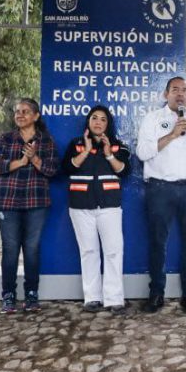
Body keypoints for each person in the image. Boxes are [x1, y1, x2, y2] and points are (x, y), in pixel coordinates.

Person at [136, 77, 186, 314]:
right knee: (158, 242)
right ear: (166, 94)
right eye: (175, 90)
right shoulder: (153, 120)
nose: (180, 94)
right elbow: (142, 152)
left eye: (185, 90)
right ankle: (156, 294)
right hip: (161, 189)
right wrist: (172, 134)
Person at [0, 98, 59, 314]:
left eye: (25, 111)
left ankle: (31, 295)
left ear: (36, 116)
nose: (20, 115)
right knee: (10, 249)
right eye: (17, 111)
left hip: (36, 202)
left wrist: (34, 158)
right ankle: (8, 295)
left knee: (31, 249)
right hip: (7, 202)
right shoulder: (6, 138)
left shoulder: (46, 141)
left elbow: (52, 170)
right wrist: (21, 162)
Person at [62, 105, 131, 315]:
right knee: (89, 251)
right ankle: (92, 297)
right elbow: (67, 168)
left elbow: (125, 171)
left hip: (109, 206)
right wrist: (85, 149)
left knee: (113, 251)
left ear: (108, 124)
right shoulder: (75, 145)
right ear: (89, 122)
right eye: (94, 118)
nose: (98, 122)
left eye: (103, 119)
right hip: (80, 206)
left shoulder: (119, 146)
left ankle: (114, 298)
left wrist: (109, 154)